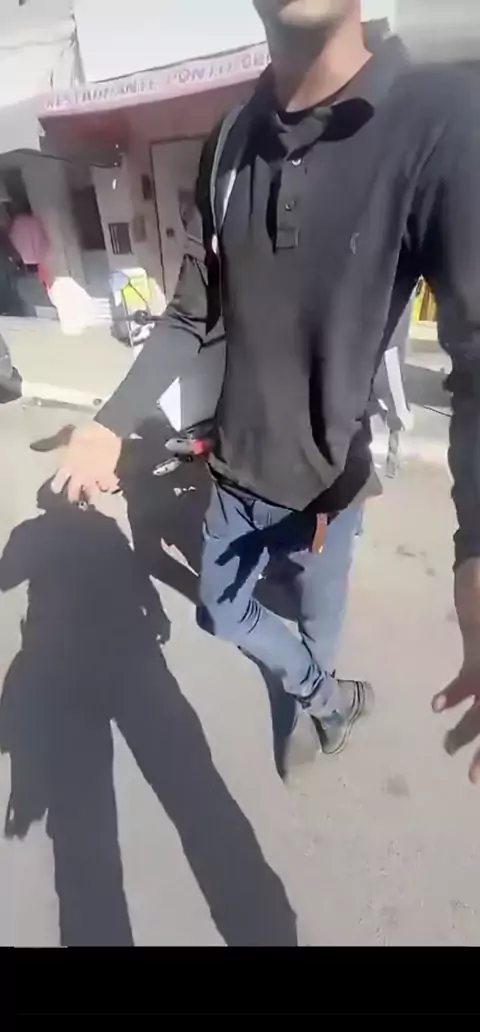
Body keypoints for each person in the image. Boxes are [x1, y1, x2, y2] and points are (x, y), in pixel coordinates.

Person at [53, 1, 480, 782]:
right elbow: (192, 310)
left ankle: (318, 693)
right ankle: (329, 700)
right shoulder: (228, 142)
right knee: (221, 610)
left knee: (319, 623)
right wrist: (110, 422)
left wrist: (475, 547)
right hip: (234, 473)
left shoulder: (440, 118)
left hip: (329, 496)